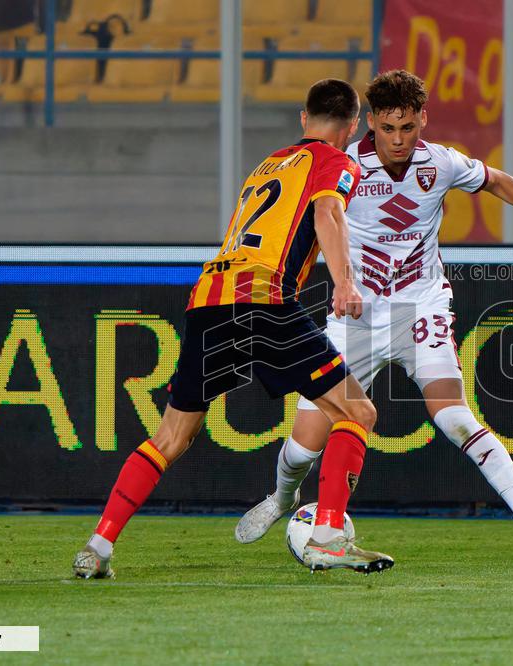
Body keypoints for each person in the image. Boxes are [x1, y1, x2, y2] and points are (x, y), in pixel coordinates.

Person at [235, 69, 513, 569]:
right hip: (356, 315)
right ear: (370, 123)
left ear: (422, 120)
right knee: (303, 448)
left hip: (421, 308)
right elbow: (319, 218)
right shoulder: (343, 166)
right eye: (388, 128)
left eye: (407, 127)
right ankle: (282, 500)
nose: (397, 139)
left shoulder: (441, 162)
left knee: (454, 418)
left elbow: (498, 180)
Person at [73, 78, 394, 578]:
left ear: (302, 118)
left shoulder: (268, 163)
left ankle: (98, 546)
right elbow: (329, 212)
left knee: (171, 437)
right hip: (262, 299)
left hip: (208, 298)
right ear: (353, 127)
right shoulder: (336, 161)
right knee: (358, 410)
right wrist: (344, 282)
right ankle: (329, 535)